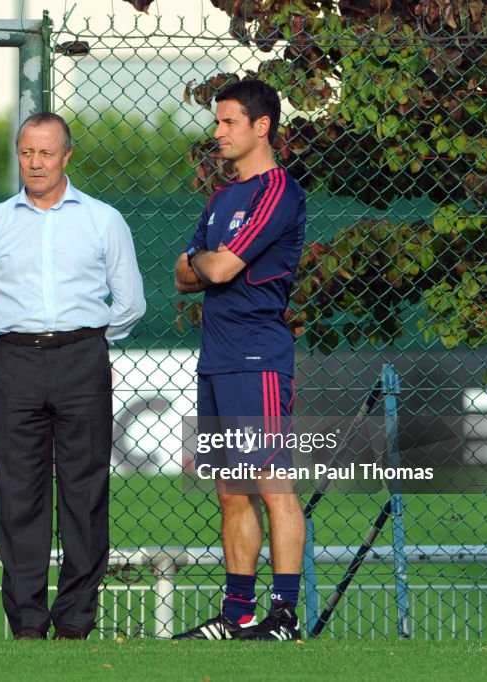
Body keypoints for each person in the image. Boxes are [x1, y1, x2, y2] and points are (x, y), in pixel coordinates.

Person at [0, 112, 146, 641]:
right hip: (14, 363)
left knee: (85, 493)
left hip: (83, 359)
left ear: (67, 156)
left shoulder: (103, 220)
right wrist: (11, 337)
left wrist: (85, 342)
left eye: (45, 153)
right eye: (25, 152)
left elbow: (129, 304)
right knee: (19, 495)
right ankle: (28, 624)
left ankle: (76, 621)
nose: (34, 163)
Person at [172, 80, 307, 641]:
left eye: (228, 122)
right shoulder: (220, 199)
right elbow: (182, 276)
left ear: (261, 127)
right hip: (216, 358)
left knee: (272, 482)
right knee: (230, 490)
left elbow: (216, 271)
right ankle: (237, 613)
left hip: (257, 357)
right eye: (217, 121)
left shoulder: (279, 191)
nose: (218, 132)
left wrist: (205, 261)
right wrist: (208, 261)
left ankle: (284, 614)